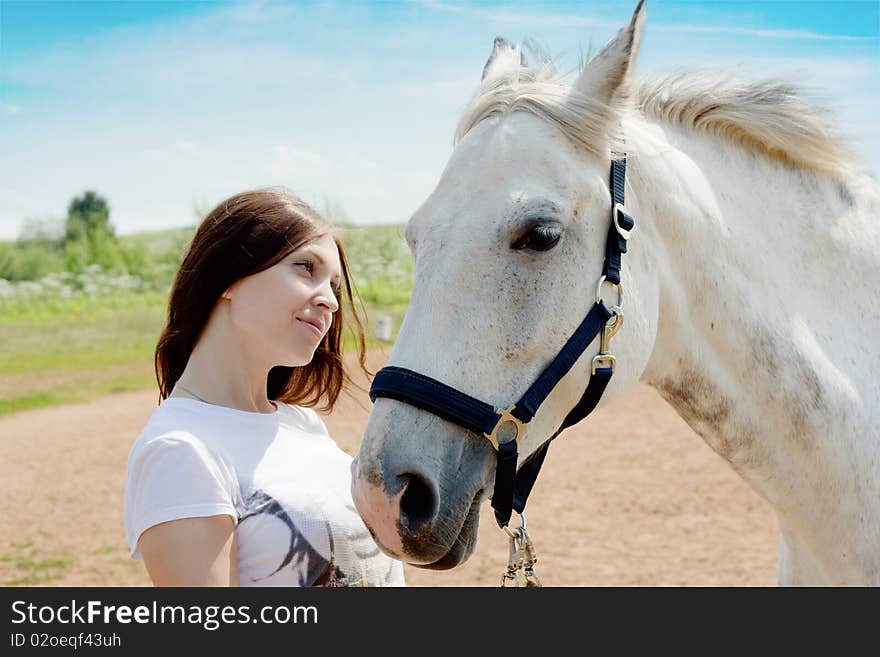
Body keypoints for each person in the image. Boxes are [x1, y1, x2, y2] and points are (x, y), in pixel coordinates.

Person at [124, 188, 405, 587]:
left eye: (334, 285)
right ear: (227, 278)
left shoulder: (304, 425)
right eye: (306, 267)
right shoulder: (181, 449)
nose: (331, 301)